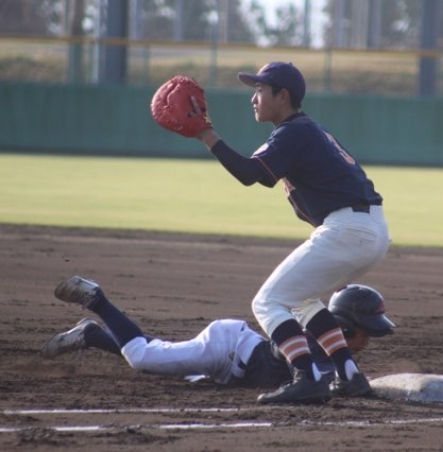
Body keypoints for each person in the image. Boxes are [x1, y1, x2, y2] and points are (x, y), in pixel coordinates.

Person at [186, 62, 391, 403]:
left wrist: (206, 135)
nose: (253, 98)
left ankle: (307, 377)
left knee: (268, 302)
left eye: (260, 90)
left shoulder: (294, 132)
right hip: (368, 229)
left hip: (349, 229)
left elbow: (251, 174)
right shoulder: (304, 130)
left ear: (282, 96)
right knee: (302, 300)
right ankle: (349, 376)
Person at [42, 276, 395, 391]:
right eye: (365, 333)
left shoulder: (330, 354)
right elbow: (285, 354)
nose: (367, 342)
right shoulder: (309, 342)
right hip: (226, 348)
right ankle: (97, 300)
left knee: (166, 357)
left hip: (232, 363)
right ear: (344, 327)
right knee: (142, 358)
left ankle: (92, 335)